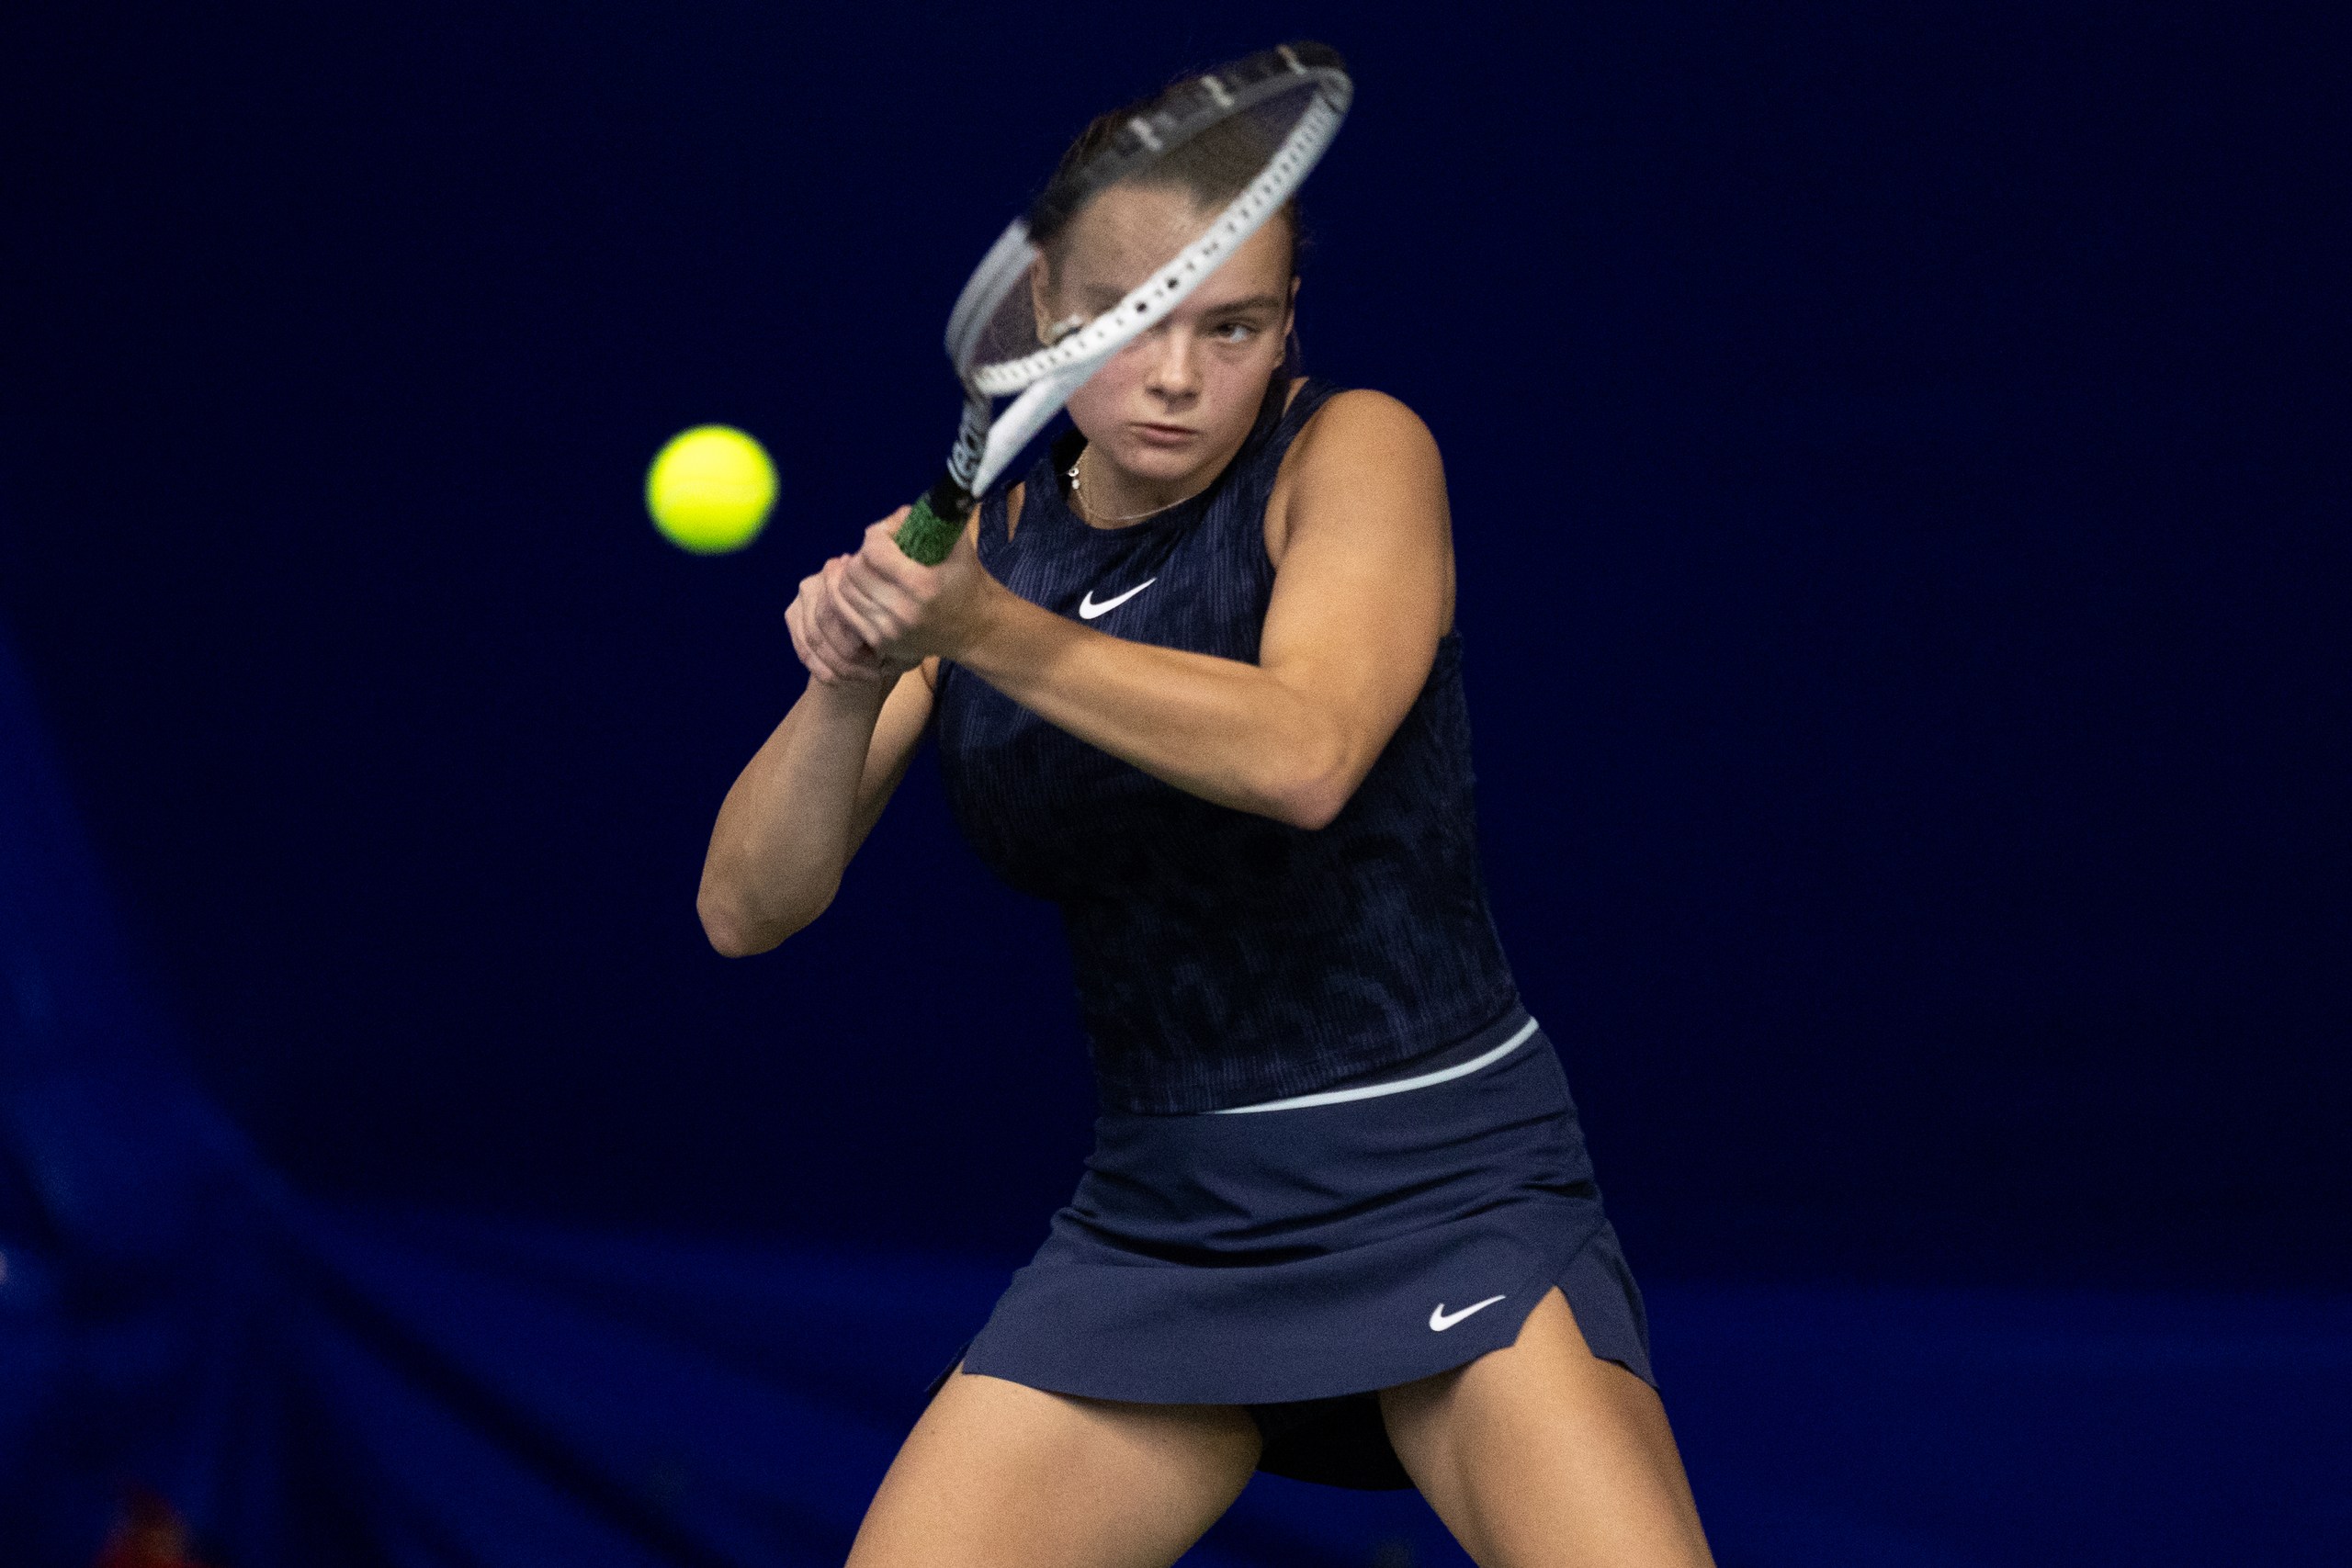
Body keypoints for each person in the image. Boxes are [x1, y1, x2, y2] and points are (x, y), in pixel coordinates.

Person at [697, 91, 1716, 1568]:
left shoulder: (1352, 453)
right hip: (1160, 1222)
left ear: (1289, 323)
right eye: (1131, 319)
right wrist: (851, 681)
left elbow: (1307, 754)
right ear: (1045, 314)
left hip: (1444, 1187)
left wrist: (982, 633)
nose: (1176, 376)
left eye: (1231, 327)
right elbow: (746, 906)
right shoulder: (991, 550)